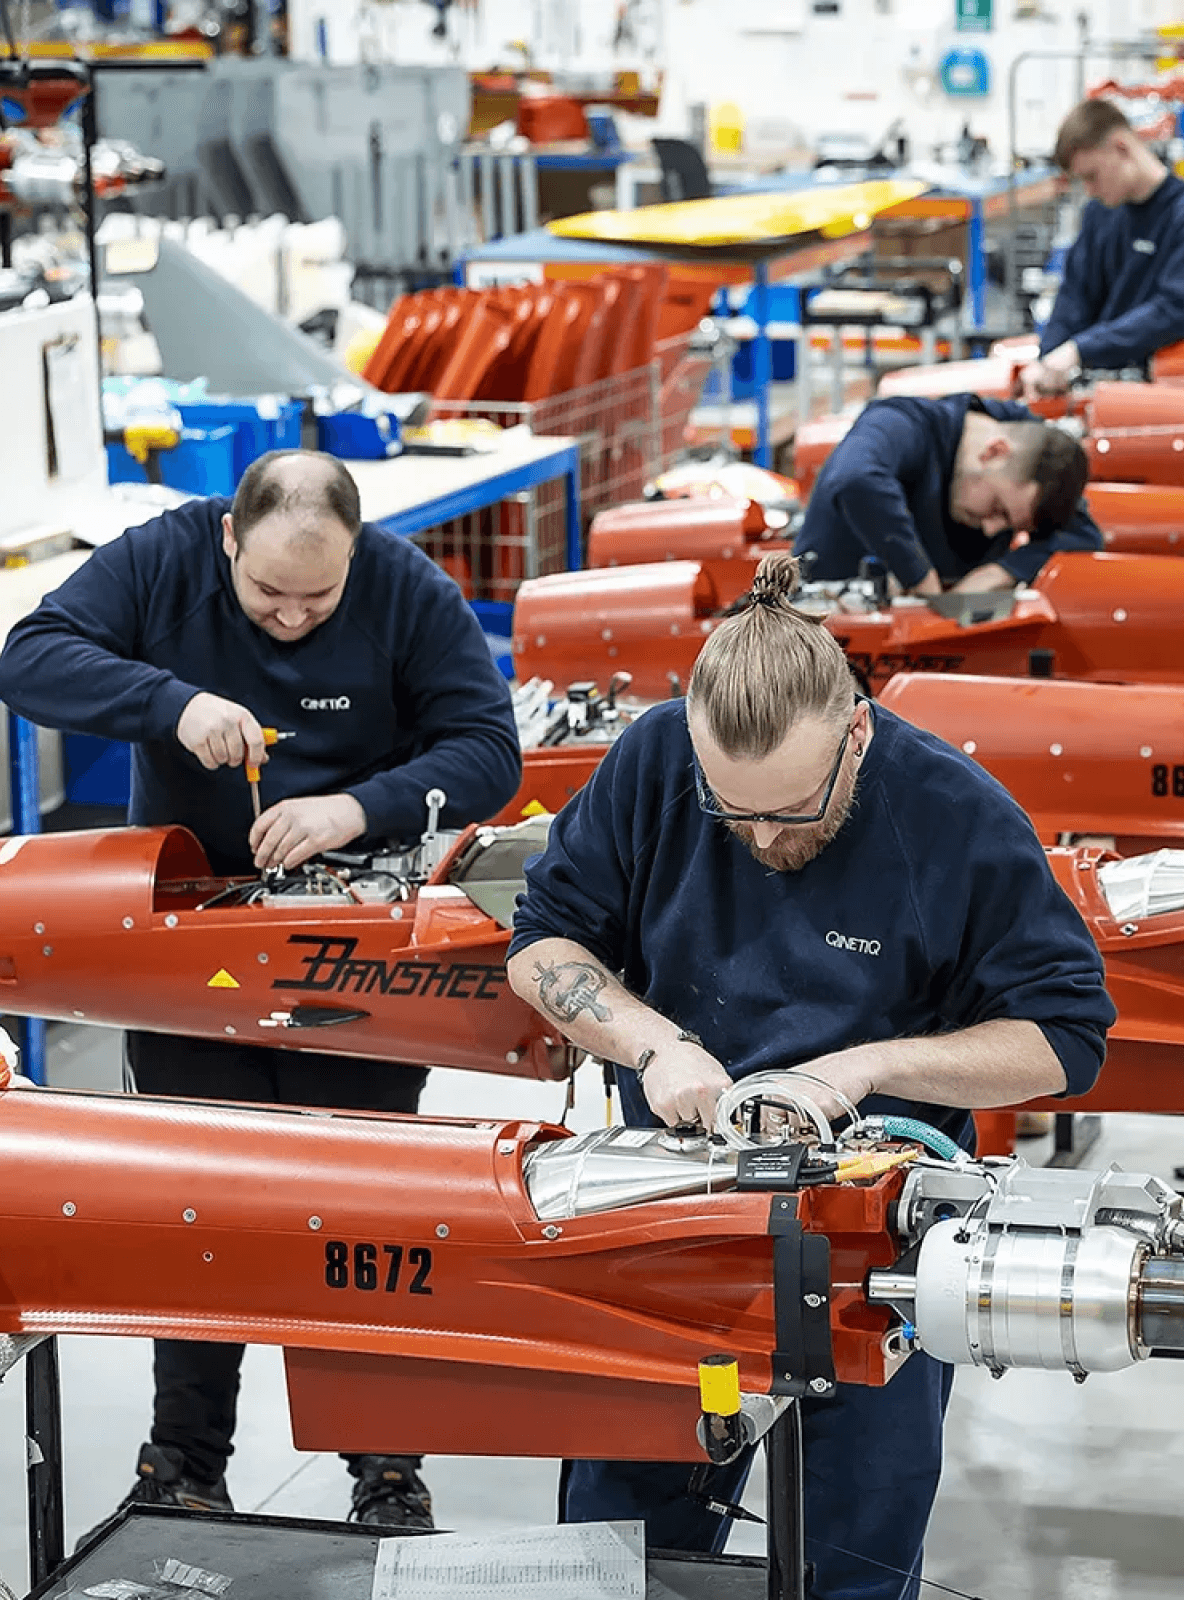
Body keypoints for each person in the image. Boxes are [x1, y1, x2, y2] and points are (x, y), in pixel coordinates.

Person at [506, 550, 1114, 1600]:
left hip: (873, 1255)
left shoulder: (954, 818)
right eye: (728, 811)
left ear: (855, 733)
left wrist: (863, 1065)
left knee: (853, 1555)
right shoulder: (655, 759)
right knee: (621, 1546)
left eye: (789, 813)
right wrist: (654, 1042)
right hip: (664, 1222)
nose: (757, 839)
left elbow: (1065, 1037)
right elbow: (542, 942)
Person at [0, 450, 522, 1531]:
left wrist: (358, 807)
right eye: (268, 595)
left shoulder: (404, 587)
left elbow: (488, 748)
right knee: (198, 1200)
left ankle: (385, 1466)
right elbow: (28, 658)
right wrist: (169, 700)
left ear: (355, 552)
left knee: (367, 1206)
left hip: (351, 947)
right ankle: (184, 1460)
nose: (291, 619)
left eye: (317, 597)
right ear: (228, 540)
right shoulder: (161, 561)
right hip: (192, 947)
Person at [793, 393, 1099, 595]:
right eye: (998, 509)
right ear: (993, 452)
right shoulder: (901, 424)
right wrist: (920, 579)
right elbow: (855, 478)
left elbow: (1085, 534)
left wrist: (1003, 571)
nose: (992, 529)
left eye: (1009, 527)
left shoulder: (1037, 450)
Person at [1021, 99, 1184, 402]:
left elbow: (1173, 308)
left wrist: (1080, 350)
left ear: (1121, 148)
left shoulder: (1178, 215)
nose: (1090, 190)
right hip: (1097, 387)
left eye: (1091, 176)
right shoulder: (1100, 214)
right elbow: (1075, 295)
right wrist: (1047, 360)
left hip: (1158, 395)